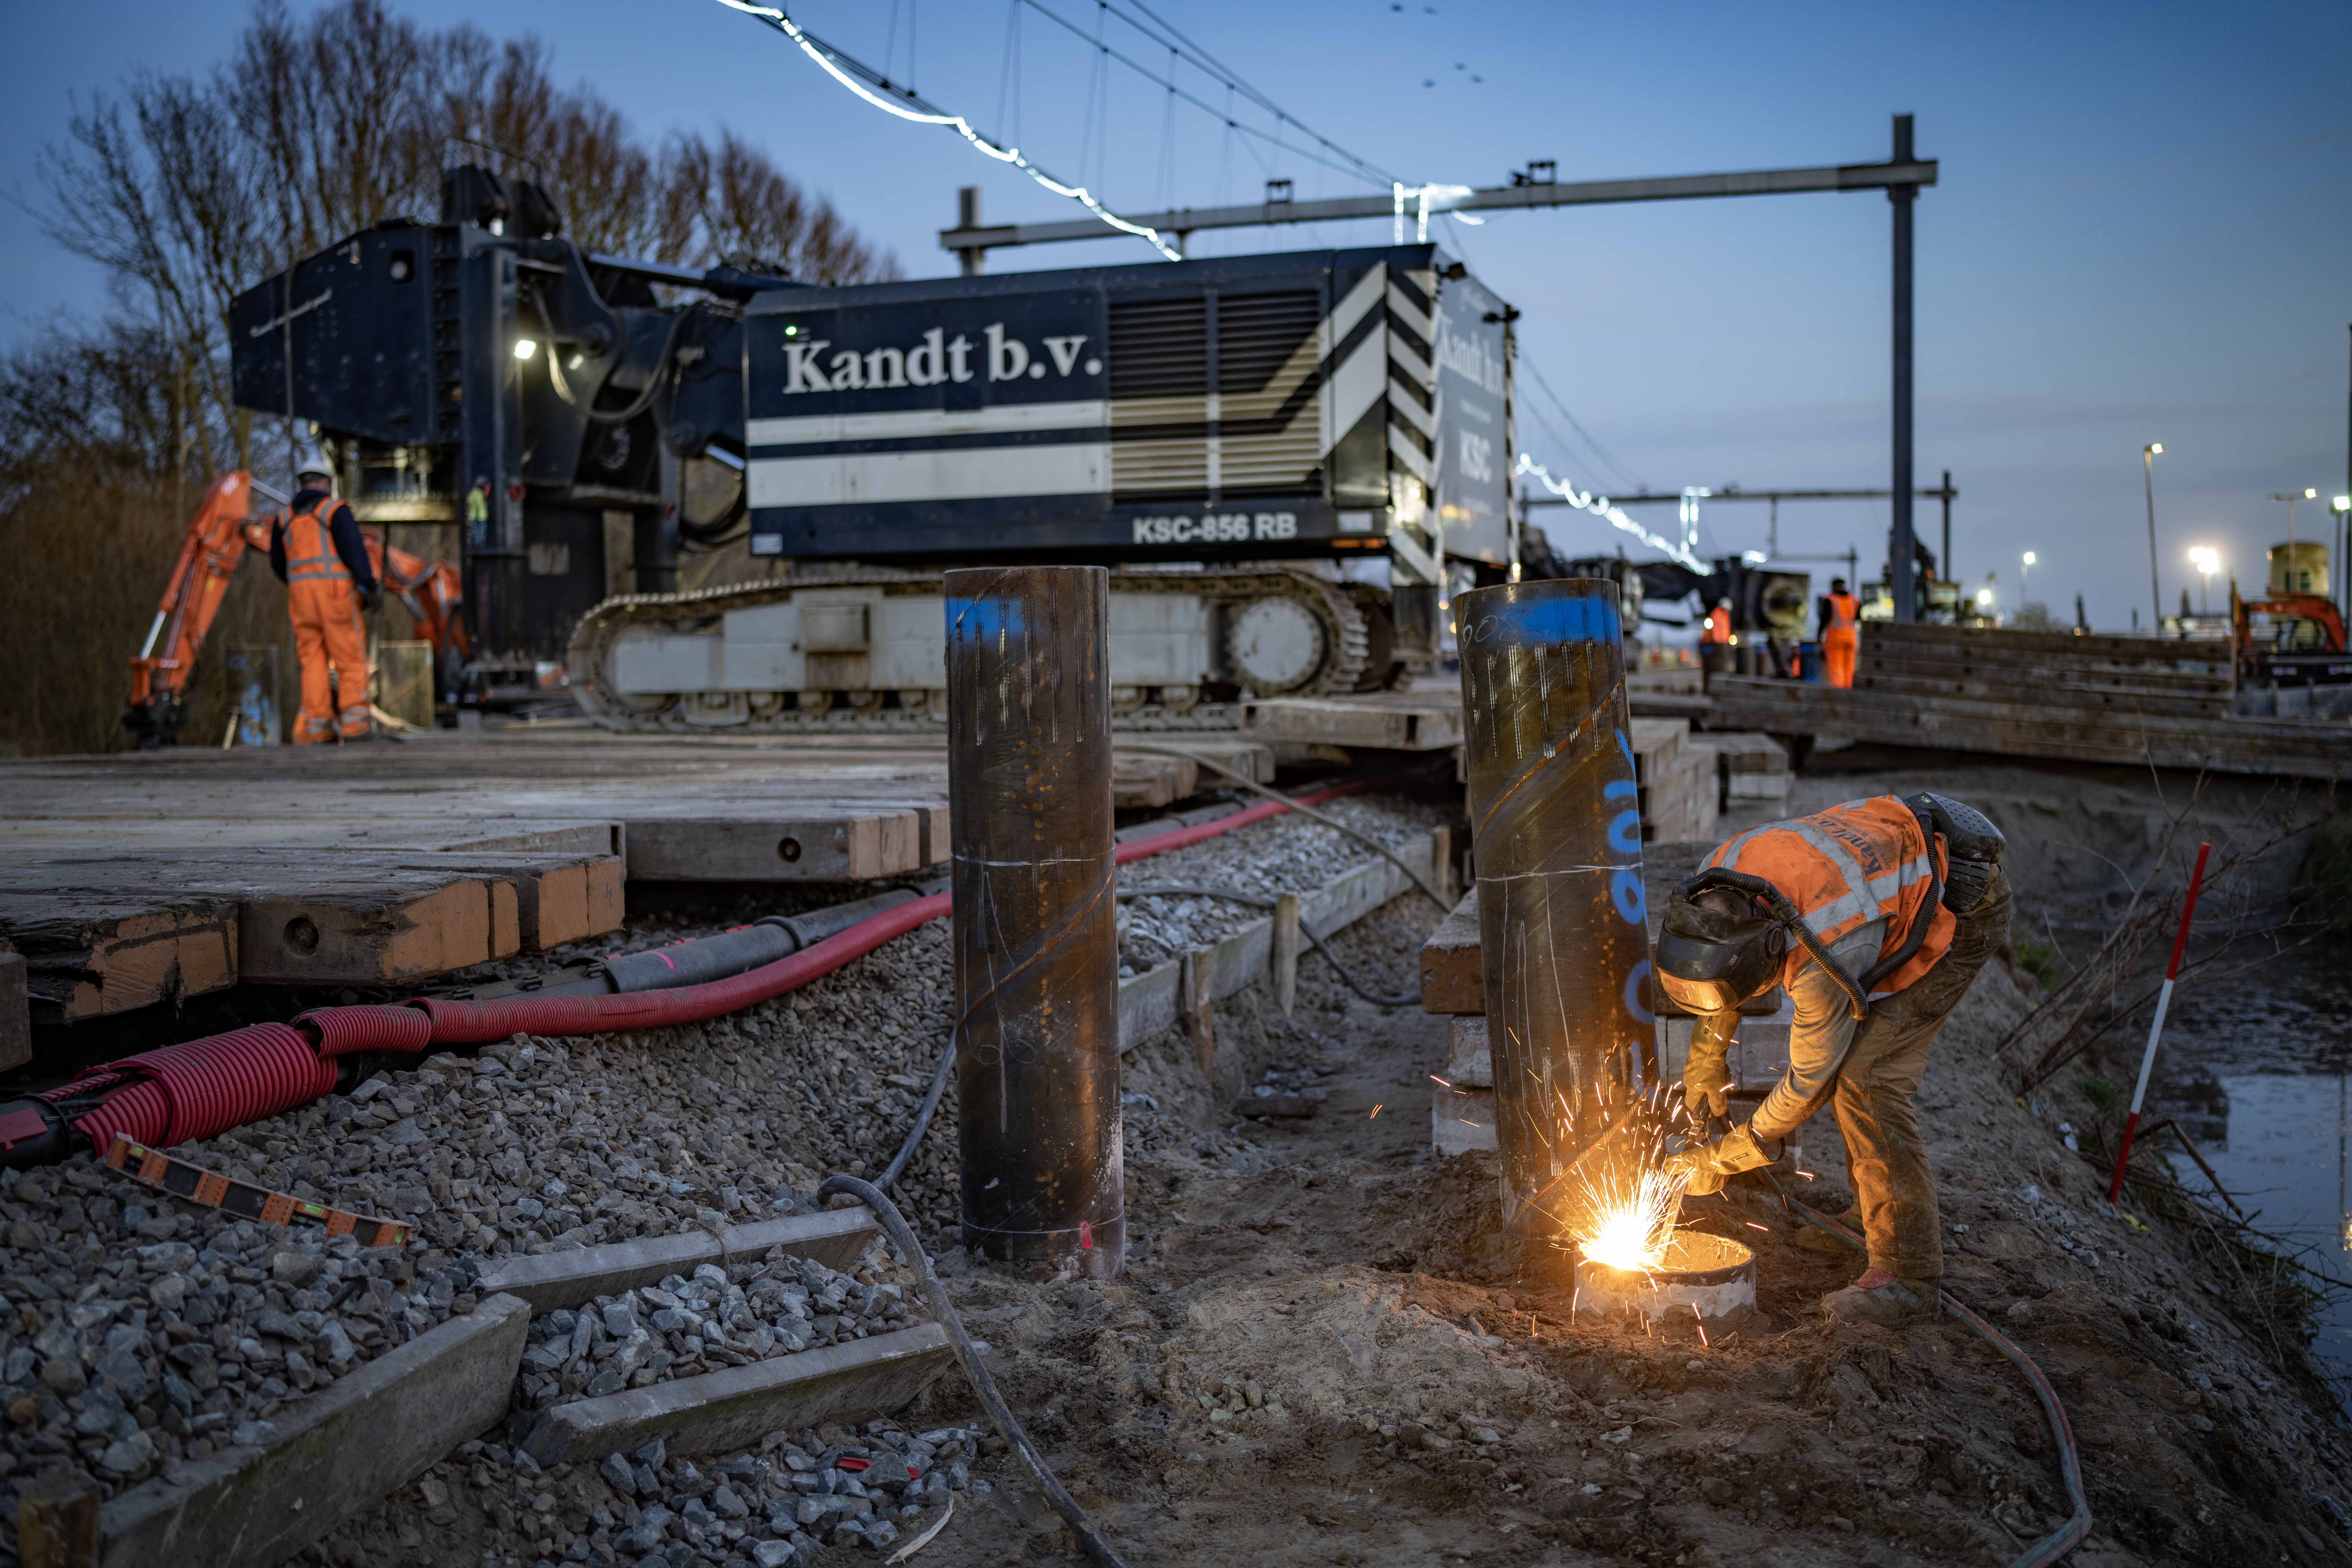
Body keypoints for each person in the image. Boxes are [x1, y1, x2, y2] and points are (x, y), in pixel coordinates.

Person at [1655, 793, 2011, 1326]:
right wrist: (1705, 1059)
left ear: (1771, 947)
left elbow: (1808, 1085)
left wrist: (1722, 1157)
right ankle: (1875, 1217)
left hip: (1959, 908)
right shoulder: (1718, 881)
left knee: (1867, 1082)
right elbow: (1725, 968)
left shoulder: (1825, 956)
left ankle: (1909, 1275)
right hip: (1887, 888)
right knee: (1857, 1071)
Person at [269, 453, 378, 744]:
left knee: (313, 663)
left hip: (301, 600)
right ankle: (356, 726)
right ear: (325, 482)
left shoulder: (284, 518)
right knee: (350, 658)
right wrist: (368, 584)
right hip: (336, 597)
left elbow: (278, 564)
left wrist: (299, 586)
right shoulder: (335, 511)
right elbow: (355, 553)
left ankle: (318, 730)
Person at [1819, 577, 1860, 689]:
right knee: (1850, 666)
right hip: (1852, 637)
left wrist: (1818, 638)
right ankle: (1849, 689)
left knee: (1836, 666)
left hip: (1835, 638)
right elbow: (1858, 619)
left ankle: (1839, 691)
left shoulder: (1831, 600)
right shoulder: (1855, 600)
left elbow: (1824, 620)